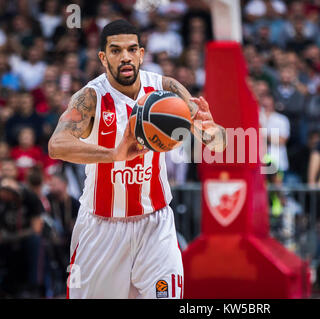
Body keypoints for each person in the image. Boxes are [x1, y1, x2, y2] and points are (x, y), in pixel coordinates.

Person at [47, 20, 227, 299]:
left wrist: (210, 128)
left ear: (142, 53)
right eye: (116, 51)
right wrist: (113, 154)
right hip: (102, 227)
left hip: (155, 224)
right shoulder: (91, 97)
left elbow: (219, 144)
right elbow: (56, 145)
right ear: (103, 57)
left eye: (132, 49)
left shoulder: (166, 90)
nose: (126, 57)